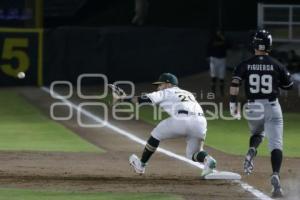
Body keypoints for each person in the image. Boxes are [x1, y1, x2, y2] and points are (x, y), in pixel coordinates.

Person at [229, 29, 294, 198]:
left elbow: (235, 83)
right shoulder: (276, 64)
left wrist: (232, 103)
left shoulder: (245, 64)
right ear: (270, 45)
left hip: (253, 107)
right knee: (276, 144)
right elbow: (289, 85)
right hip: (272, 106)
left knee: (258, 133)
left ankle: (252, 150)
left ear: (254, 45)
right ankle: (275, 176)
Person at [114, 73, 217, 177]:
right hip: (201, 122)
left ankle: (141, 165)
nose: (158, 87)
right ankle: (208, 160)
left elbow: (143, 99)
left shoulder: (166, 91)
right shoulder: (188, 93)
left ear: (168, 84)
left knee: (156, 134)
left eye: (160, 84)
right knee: (193, 154)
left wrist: (123, 98)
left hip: (182, 120)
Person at [207, 30, 228, 96]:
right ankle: (213, 92)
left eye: (220, 32)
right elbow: (208, 47)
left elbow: (230, 45)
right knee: (213, 76)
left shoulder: (224, 39)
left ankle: (222, 92)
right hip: (214, 59)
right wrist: (207, 56)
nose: (219, 33)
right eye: (218, 31)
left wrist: (223, 38)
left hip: (222, 59)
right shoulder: (212, 39)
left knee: (222, 77)